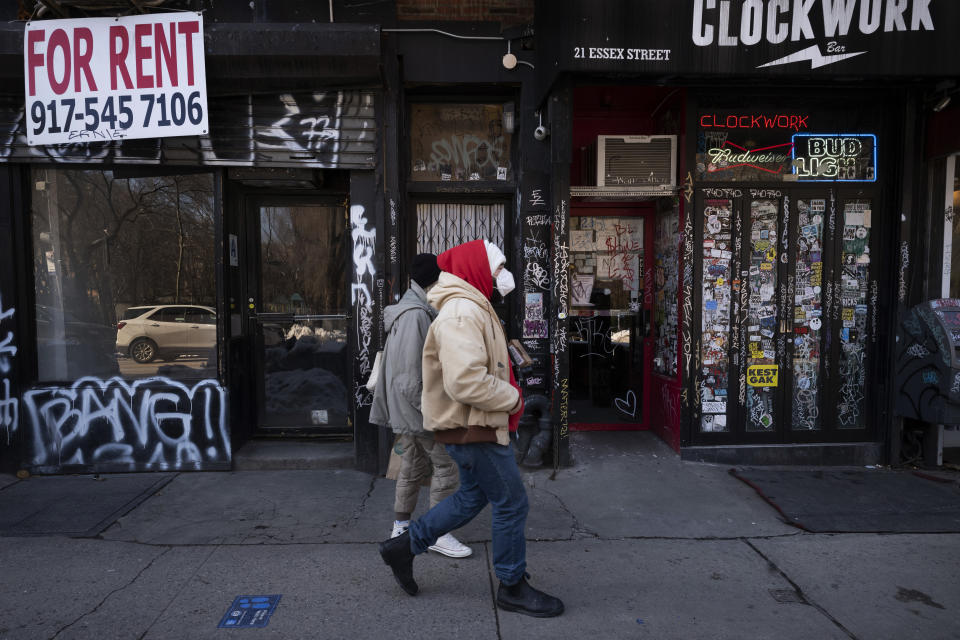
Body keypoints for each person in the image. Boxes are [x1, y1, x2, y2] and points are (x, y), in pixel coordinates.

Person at [379, 239, 564, 618]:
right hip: (473, 426)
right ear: (477, 269)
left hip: (472, 425)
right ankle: (511, 586)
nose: (502, 277)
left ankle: (403, 547)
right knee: (512, 502)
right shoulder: (463, 311)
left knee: (472, 497)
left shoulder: (469, 304)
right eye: (497, 269)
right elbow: (465, 381)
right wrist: (512, 399)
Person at [369, 253, 472, 558]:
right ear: (434, 281)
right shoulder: (415, 315)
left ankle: (400, 527)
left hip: (409, 408)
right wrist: (432, 412)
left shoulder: (414, 309)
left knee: (412, 467)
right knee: (447, 466)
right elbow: (409, 376)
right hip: (419, 409)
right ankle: (438, 532)